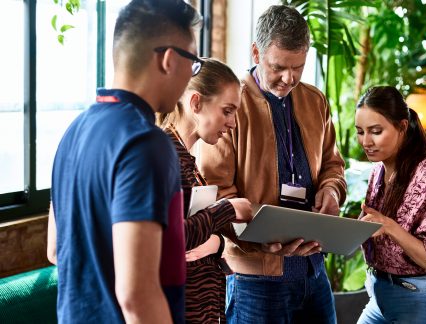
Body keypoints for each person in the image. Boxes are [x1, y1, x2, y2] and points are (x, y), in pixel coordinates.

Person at [47, 1, 202, 323]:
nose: (192, 75)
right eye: (194, 62)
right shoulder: (145, 143)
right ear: (170, 60)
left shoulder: (73, 132)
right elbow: (137, 296)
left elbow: (54, 250)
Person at [198, 4, 346, 323]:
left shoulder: (316, 101)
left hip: (313, 270)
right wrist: (255, 235)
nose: (288, 78)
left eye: (298, 67)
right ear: (256, 52)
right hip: (255, 279)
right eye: (278, 66)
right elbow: (214, 193)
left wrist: (332, 192)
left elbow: (334, 166)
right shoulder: (231, 106)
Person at [354, 86, 426, 323]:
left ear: (402, 127)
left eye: (376, 131)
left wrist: (390, 227)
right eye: (360, 131)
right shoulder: (378, 172)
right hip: (381, 292)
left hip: (424, 297)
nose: (366, 141)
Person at [156, 58, 252, 323]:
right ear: (196, 103)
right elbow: (169, 239)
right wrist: (228, 209)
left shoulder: (188, 160)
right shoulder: (164, 157)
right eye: (227, 110)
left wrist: (217, 242)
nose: (233, 123)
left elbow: (199, 236)